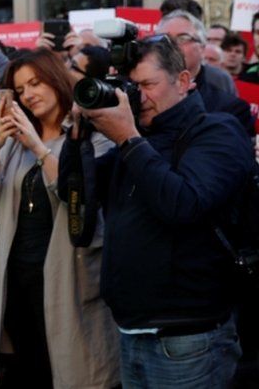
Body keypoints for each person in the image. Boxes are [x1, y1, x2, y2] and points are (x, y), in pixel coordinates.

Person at [60, 35, 252, 388]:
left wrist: (128, 138)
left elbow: (182, 204)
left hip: (188, 340)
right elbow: (74, 193)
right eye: (130, 87)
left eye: (147, 84)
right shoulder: (136, 142)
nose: (138, 96)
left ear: (182, 81)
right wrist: (78, 136)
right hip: (130, 332)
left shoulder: (217, 131)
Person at [0, 49, 119, 388]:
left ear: (56, 79)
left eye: (35, 83)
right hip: (17, 275)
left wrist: (39, 148)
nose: (29, 95)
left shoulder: (89, 131)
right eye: (21, 90)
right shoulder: (14, 137)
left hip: (68, 277)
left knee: (71, 369)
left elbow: (80, 196)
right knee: (30, 367)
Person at [155, 10, 254, 134]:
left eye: (183, 38)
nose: (172, 45)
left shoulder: (232, 109)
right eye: (164, 39)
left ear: (202, 47)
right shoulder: (141, 99)